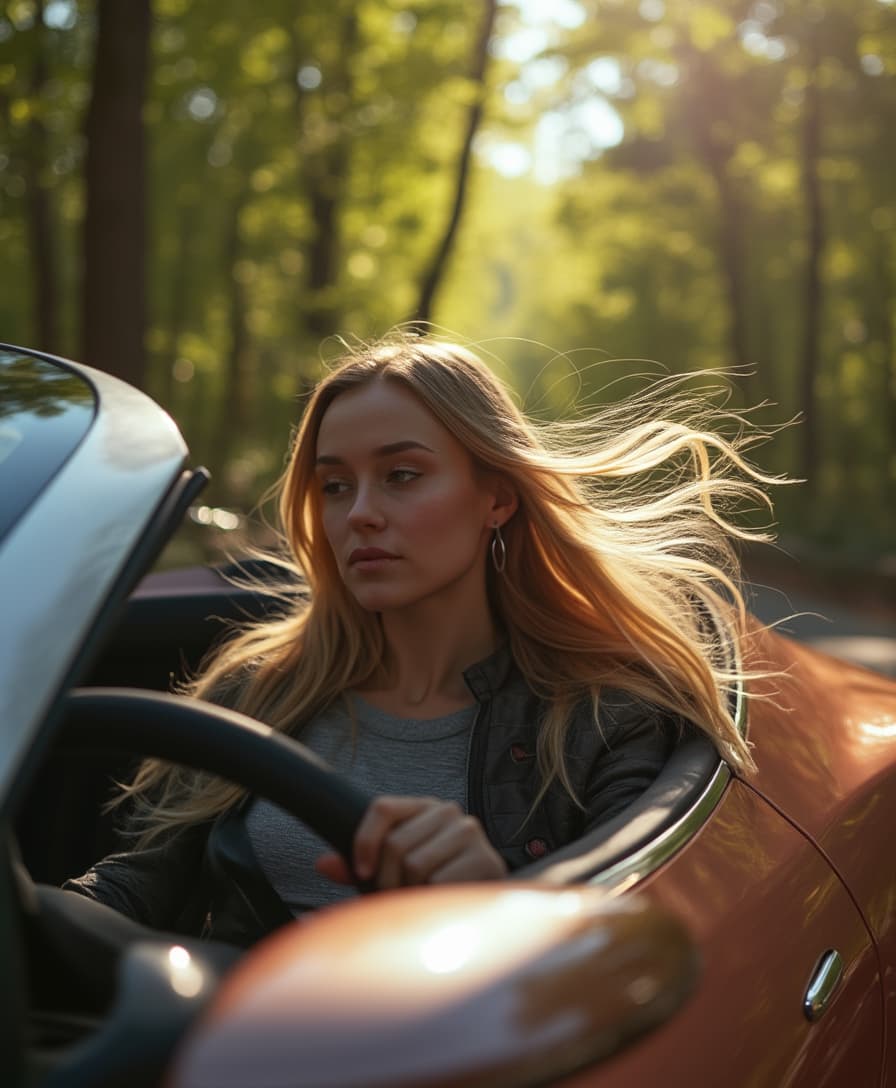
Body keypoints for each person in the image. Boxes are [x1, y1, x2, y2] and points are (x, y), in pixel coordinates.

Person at [66, 335, 772, 946]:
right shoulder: (258, 686)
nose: (361, 514)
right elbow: (136, 886)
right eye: (335, 486)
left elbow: (630, 953)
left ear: (496, 497)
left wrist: (495, 898)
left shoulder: (600, 716)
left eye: (401, 476)